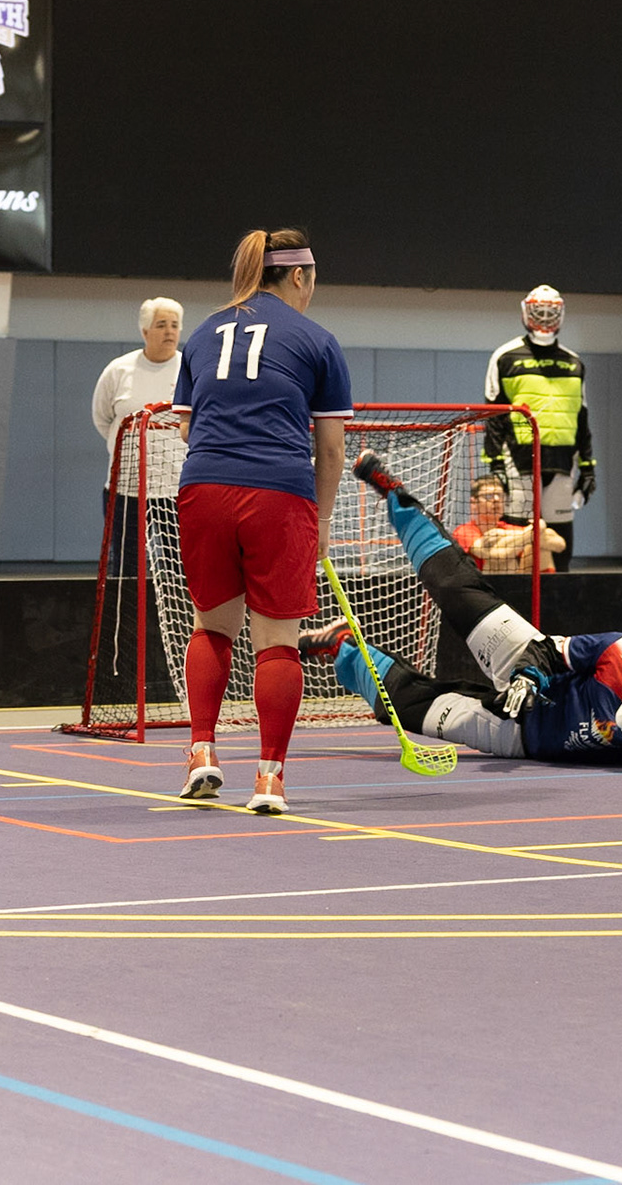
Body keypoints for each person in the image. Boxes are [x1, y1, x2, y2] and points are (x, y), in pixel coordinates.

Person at [303, 451, 622, 774]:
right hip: (531, 669)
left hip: (521, 739)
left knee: (406, 707)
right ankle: (394, 493)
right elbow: (551, 651)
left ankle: (342, 645)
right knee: (456, 588)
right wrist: (528, 678)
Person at [172, 228, 352, 814]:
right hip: (278, 493)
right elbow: (329, 451)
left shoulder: (201, 332)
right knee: (276, 640)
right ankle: (269, 780)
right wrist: (320, 520)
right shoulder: (318, 340)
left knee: (211, 625)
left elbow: (185, 426)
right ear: (299, 276)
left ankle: (201, 753)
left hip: (203, 487)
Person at [483, 284, 595, 569]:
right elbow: (493, 415)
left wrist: (588, 466)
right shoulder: (505, 357)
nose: (545, 318)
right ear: (526, 312)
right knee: (517, 537)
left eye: (551, 313)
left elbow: (582, 418)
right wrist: (495, 464)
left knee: (559, 540)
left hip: (562, 462)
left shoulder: (575, 362)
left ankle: (559, 601)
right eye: (538, 312)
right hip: (519, 461)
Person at [92, 297, 184, 576]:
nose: (169, 332)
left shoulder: (190, 369)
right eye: (161, 325)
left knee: (178, 564)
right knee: (126, 563)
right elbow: (103, 419)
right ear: (145, 331)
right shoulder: (119, 370)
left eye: (175, 325)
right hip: (127, 487)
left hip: (176, 487)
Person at [453, 474, 565, 573]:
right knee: (503, 560)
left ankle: (544, 595)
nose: (496, 499)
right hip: (481, 586)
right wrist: (535, 530)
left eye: (500, 495)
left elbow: (560, 544)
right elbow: (495, 555)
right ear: (473, 503)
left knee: (538, 549)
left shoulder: (506, 528)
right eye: (488, 496)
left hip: (516, 582)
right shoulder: (464, 531)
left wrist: (501, 535)